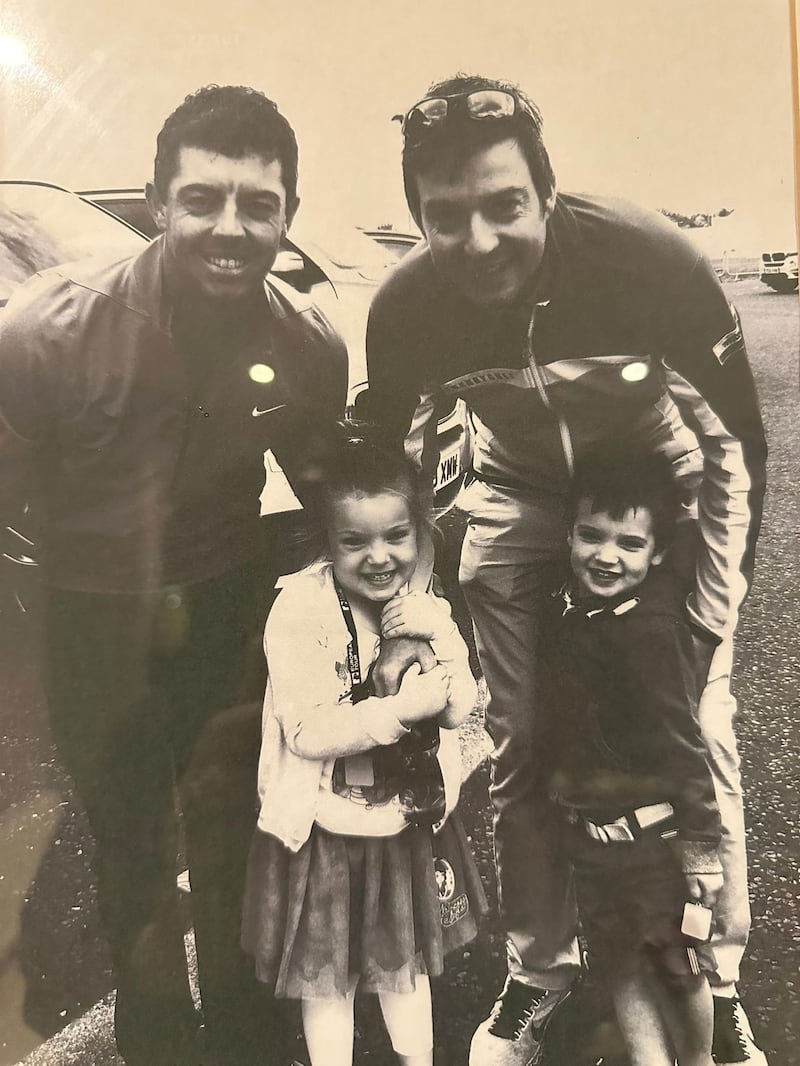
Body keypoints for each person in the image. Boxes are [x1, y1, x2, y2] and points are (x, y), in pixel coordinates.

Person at [360, 73, 768, 1066]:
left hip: (646, 482)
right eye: (442, 216)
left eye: (504, 206)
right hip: (518, 488)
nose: (478, 241)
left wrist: (705, 618)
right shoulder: (407, 307)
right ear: (415, 216)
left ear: (546, 191)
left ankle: (714, 971)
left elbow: (732, 447)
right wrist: (408, 612)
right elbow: (392, 475)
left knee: (693, 724)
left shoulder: (647, 260)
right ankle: (538, 965)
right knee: (517, 740)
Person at [0, 85, 347, 1066]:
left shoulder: (309, 340)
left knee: (239, 838)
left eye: (258, 202)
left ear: (288, 212)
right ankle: (156, 1043)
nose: (229, 228)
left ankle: (244, 1038)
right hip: (92, 619)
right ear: (156, 203)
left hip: (225, 602)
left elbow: (329, 500)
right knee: (130, 850)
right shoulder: (44, 329)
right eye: (202, 198)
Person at [241, 428, 484, 1066]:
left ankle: (417, 1059)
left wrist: (443, 643)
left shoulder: (421, 603)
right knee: (330, 974)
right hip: (329, 827)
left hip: (404, 818)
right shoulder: (299, 611)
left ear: (419, 531)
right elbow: (308, 732)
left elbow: (459, 708)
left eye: (396, 536)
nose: (379, 557)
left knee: (404, 963)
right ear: (328, 539)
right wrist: (402, 710)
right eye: (355, 541)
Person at [538, 444, 723, 1065]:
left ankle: (699, 1059)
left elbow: (684, 744)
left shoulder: (652, 633)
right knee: (617, 962)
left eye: (630, 543)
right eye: (590, 535)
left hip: (654, 842)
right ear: (568, 533)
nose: (606, 555)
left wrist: (700, 846)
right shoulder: (571, 606)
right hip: (591, 839)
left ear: (661, 552)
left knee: (678, 964)